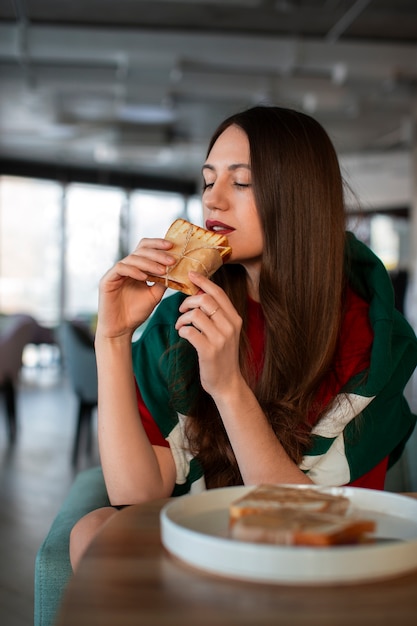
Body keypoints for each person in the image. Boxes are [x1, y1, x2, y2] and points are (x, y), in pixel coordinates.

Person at [69, 105, 417, 570]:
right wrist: (113, 338)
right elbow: (135, 495)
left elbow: (310, 523)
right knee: (94, 529)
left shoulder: (368, 333)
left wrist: (228, 388)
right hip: (215, 524)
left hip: (318, 543)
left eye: (241, 182)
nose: (213, 200)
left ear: (298, 197)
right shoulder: (184, 311)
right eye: (209, 180)